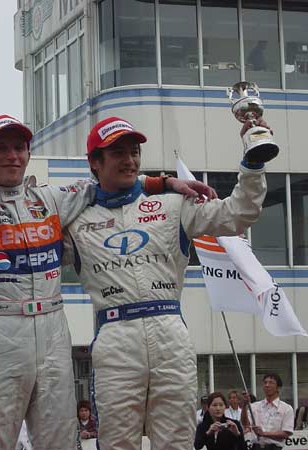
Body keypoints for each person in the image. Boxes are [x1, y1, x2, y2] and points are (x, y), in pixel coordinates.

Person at [0, 107, 210, 449]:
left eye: (19, 147)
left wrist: (161, 182)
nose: (12, 155)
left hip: (53, 330)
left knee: (60, 441)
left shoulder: (51, 199)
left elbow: (109, 182)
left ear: (28, 154)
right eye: (1, 148)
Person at [64, 115, 269, 450]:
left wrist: (253, 163)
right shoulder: (75, 217)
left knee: (177, 440)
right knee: (117, 442)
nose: (129, 160)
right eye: (118, 153)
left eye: (134, 152)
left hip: (169, 332)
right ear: (94, 162)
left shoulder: (174, 203)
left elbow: (240, 213)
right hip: (115, 335)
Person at [242, 373, 294, 450]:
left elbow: (286, 433)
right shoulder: (255, 406)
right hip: (256, 447)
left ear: (278, 388)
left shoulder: (286, 408)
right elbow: (245, 424)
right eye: (265, 382)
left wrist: (264, 434)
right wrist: (244, 405)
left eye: (271, 383)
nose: (267, 385)